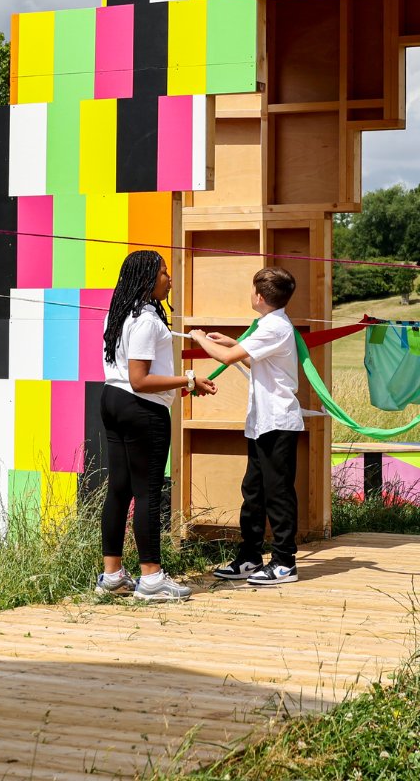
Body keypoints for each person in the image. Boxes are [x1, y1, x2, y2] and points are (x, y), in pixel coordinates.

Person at [97, 249, 216, 601]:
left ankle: (113, 576)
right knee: (147, 490)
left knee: (119, 489)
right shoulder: (148, 321)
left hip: (112, 401)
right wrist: (188, 381)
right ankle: (151, 579)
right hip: (140, 408)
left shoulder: (119, 314)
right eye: (164, 272)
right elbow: (140, 380)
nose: (169, 278)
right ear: (148, 278)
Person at [189, 267, 302, 586]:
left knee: (277, 492)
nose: (251, 295)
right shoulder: (270, 325)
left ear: (261, 297)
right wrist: (233, 342)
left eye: (253, 290)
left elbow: (225, 358)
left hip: (278, 422)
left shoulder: (274, 326)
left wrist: (200, 339)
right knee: (253, 491)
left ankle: (284, 562)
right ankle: (250, 557)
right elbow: (251, 358)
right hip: (262, 423)